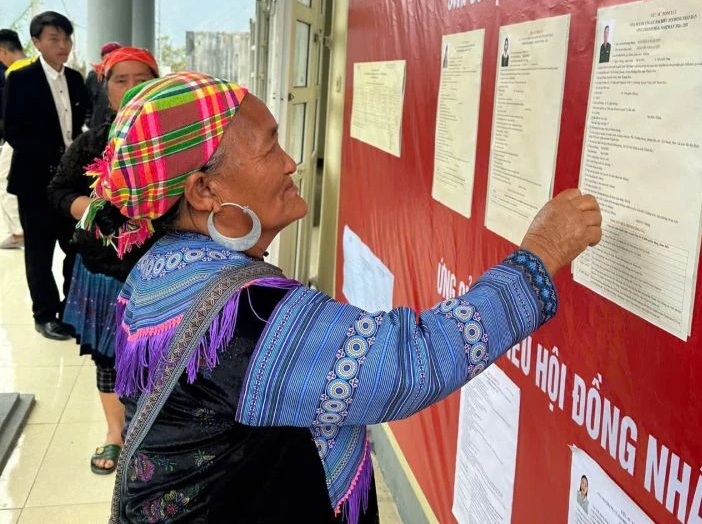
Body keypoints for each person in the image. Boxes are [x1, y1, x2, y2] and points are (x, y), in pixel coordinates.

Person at [81, 72, 601, 523]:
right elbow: (404, 364)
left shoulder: (164, 265)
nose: (291, 162)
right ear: (204, 191)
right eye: (269, 147)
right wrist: (540, 255)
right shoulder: (241, 313)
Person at [48, 47, 159, 476]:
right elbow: (58, 190)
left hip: (158, 272)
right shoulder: (92, 143)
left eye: (142, 79)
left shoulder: (178, 144)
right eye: (121, 80)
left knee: (160, 355)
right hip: (102, 272)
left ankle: (153, 431)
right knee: (109, 359)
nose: (132, 88)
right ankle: (116, 434)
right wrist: (92, 208)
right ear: (106, 90)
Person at [2, 11, 88, 340]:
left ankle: (71, 309)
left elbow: (78, 127)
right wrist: (56, 156)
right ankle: (45, 315)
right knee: (39, 251)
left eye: (66, 38)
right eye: (54, 39)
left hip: (71, 184)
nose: (62, 45)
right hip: (35, 180)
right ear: (36, 42)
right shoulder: (21, 79)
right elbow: (12, 130)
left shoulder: (76, 79)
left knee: (76, 247)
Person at [0, 29, 33, 249]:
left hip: (18, 138)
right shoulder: (36, 64)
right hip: (36, 139)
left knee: (5, 180)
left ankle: (19, 233)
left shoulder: (15, 72)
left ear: (2, 51)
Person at [85, 41, 122, 130]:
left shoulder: (125, 75)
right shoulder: (93, 75)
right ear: (102, 57)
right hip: (97, 125)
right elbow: (86, 100)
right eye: (108, 56)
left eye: (116, 56)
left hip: (119, 124)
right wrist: (88, 120)